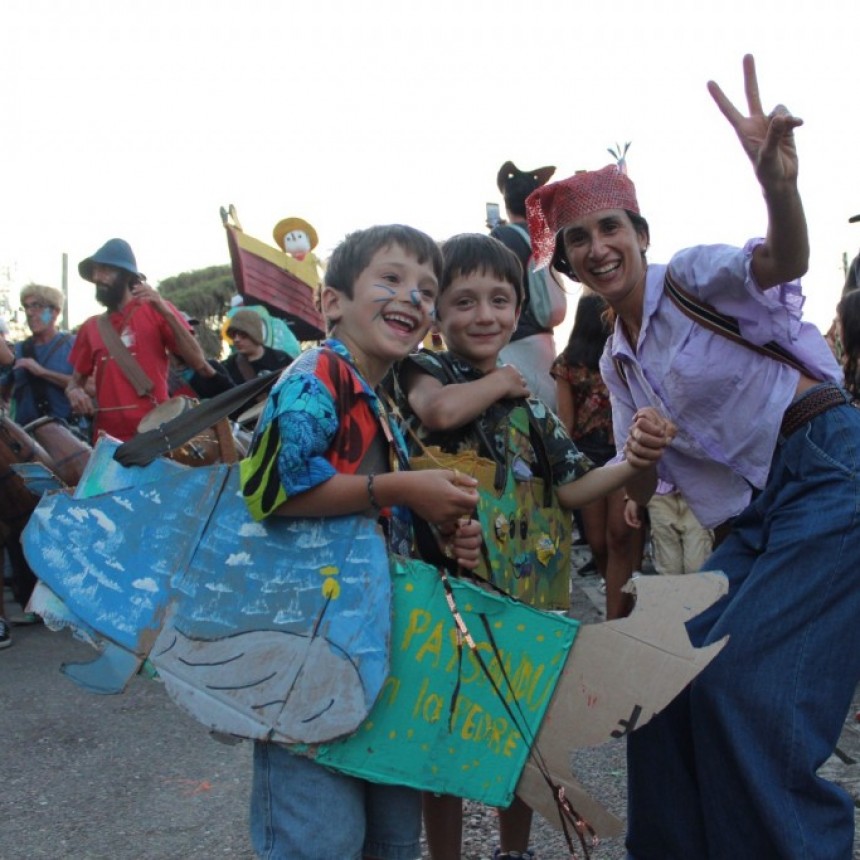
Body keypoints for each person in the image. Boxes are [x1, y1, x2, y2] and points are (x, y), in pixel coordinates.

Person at [526, 54, 860, 859]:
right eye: (579, 241)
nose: (599, 247)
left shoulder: (696, 281)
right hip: (756, 513)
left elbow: (783, 261)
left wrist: (778, 184)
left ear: (640, 236)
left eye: (612, 229)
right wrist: (638, 452)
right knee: (661, 672)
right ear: (569, 264)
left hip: (828, 468)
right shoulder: (617, 361)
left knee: (748, 688)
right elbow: (644, 482)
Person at [395, 232, 674, 860]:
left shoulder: (532, 404)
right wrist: (503, 383)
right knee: (442, 743)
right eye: (463, 302)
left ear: (518, 307)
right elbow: (437, 413)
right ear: (436, 315)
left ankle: (512, 853)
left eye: (499, 300)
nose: (484, 315)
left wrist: (634, 461)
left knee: (517, 743)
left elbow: (575, 488)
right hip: (448, 598)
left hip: (526, 602)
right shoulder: (425, 370)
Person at [238, 224, 484, 860]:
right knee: (319, 839)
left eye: (427, 291)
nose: (413, 298)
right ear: (332, 302)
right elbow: (276, 487)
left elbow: (374, 516)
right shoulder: (316, 373)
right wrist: (402, 489)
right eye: (392, 279)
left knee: (392, 841)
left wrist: (442, 529)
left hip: (373, 655)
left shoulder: (377, 400)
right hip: (306, 658)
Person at [65, 238, 213, 442]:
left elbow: (198, 362)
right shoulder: (90, 327)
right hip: (108, 441)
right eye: (95, 271)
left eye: (106, 270)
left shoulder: (157, 310)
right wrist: (74, 392)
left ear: (126, 276)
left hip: (156, 434)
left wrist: (166, 312)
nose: (98, 277)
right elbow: (75, 383)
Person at [552, 292, 644, 618]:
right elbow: (565, 420)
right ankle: (618, 599)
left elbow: (566, 420)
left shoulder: (623, 355)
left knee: (616, 537)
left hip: (618, 451)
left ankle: (618, 615)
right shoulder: (567, 365)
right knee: (601, 541)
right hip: (589, 457)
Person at [491, 161, 567, 410]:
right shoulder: (545, 236)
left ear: (506, 202)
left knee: (523, 417)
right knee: (549, 416)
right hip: (544, 339)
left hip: (514, 341)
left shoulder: (501, 238)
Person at [2, 284, 77, 428]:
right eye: (26, 307)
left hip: (68, 437)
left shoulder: (73, 345)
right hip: (27, 438)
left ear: (54, 312)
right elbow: (4, 391)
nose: (30, 312)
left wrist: (42, 372)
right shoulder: (17, 350)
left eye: (36, 306)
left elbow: (92, 387)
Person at [222, 308, 293, 386]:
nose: (236, 339)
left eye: (242, 334)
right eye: (233, 335)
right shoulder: (228, 366)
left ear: (254, 334)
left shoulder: (281, 359)